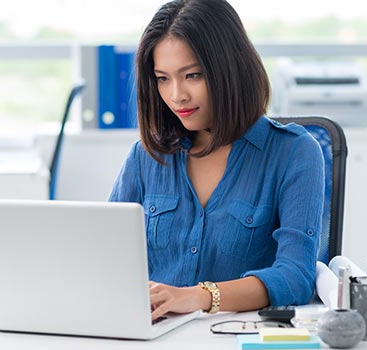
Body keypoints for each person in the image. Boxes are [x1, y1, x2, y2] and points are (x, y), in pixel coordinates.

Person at [109, 0, 324, 320]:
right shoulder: (146, 156)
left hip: (233, 334)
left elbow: (296, 276)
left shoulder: (294, 153)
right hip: (152, 333)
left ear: (230, 68)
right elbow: (104, 255)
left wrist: (200, 297)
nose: (176, 95)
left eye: (192, 75)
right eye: (162, 78)